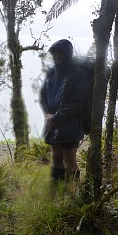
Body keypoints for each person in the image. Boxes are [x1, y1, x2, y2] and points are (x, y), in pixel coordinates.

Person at [39, 39, 88, 191]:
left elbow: (77, 103)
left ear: (67, 54)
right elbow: (43, 96)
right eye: (55, 53)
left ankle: (73, 193)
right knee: (55, 157)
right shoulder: (51, 73)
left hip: (70, 124)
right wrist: (48, 114)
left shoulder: (77, 73)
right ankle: (57, 191)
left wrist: (56, 117)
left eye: (60, 53)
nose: (57, 56)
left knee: (69, 159)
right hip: (53, 124)